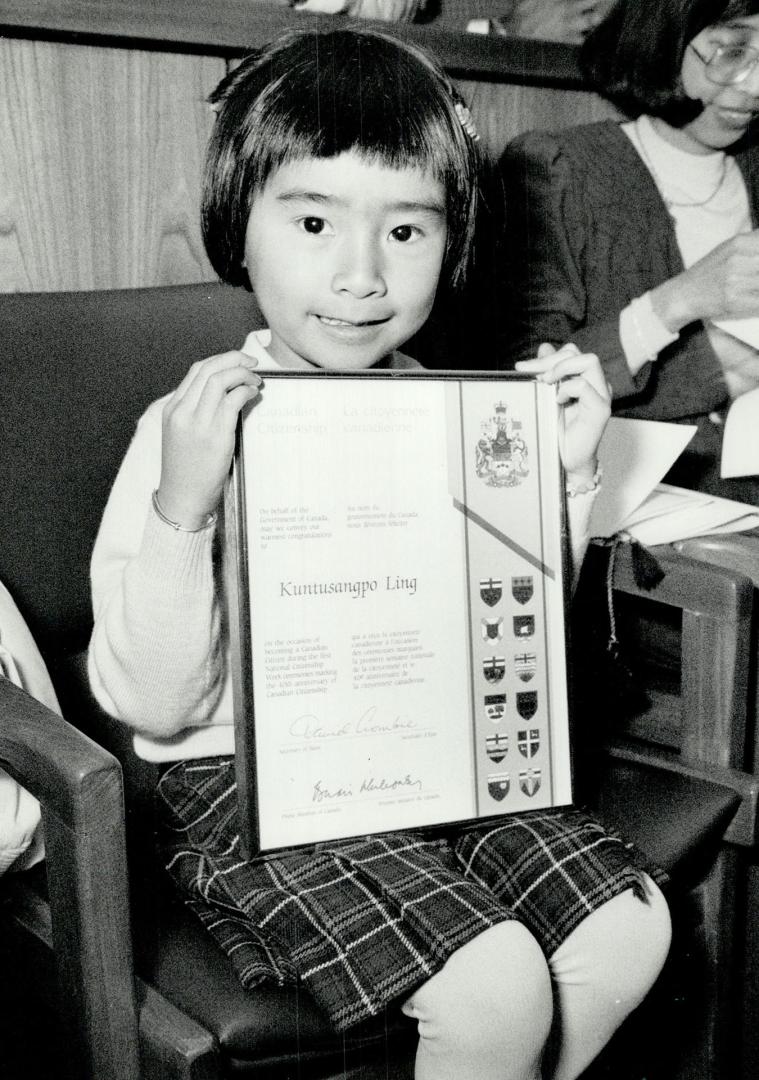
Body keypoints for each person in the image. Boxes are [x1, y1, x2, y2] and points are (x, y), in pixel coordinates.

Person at [88, 27, 670, 1080]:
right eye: (314, 220)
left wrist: (565, 479)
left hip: (428, 745)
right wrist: (184, 503)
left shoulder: (444, 409)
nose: (361, 275)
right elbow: (158, 706)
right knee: (494, 980)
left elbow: (511, 643)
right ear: (241, 228)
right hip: (243, 772)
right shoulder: (195, 425)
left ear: (450, 244)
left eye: (407, 230)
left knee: (629, 927)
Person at [500, 0, 759, 500]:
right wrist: (680, 306)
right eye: (733, 50)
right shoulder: (560, 168)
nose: (754, 85)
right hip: (636, 522)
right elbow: (525, 388)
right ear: (663, 37)